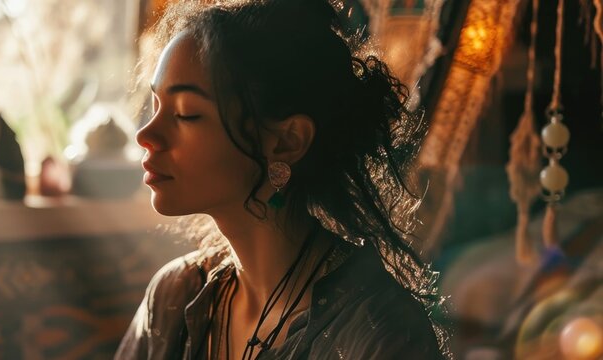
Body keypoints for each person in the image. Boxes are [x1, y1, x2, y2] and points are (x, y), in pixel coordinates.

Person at [116, 0, 449, 358]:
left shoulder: (377, 333)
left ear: (287, 141)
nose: (146, 135)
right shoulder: (175, 296)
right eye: (156, 105)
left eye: (186, 114)